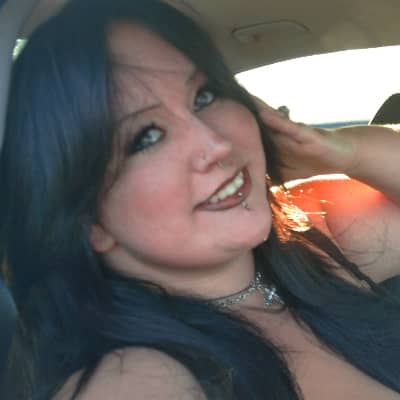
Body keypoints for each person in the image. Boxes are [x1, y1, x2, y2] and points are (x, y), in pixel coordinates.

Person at [1, 0, 400, 399]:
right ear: (88, 220)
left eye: (204, 96)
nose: (216, 143)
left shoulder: (310, 232)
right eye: (147, 137)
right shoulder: (133, 375)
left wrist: (342, 152)